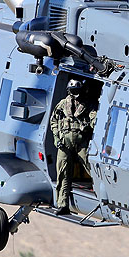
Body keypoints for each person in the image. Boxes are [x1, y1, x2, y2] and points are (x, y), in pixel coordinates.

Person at [49, 79, 97, 215]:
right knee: (63, 173)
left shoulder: (87, 105)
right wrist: (57, 138)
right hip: (64, 144)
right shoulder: (63, 104)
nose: (74, 93)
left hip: (81, 143)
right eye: (72, 90)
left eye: (76, 90)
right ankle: (62, 204)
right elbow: (54, 121)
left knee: (90, 167)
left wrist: (90, 123)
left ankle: (103, 195)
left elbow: (94, 118)